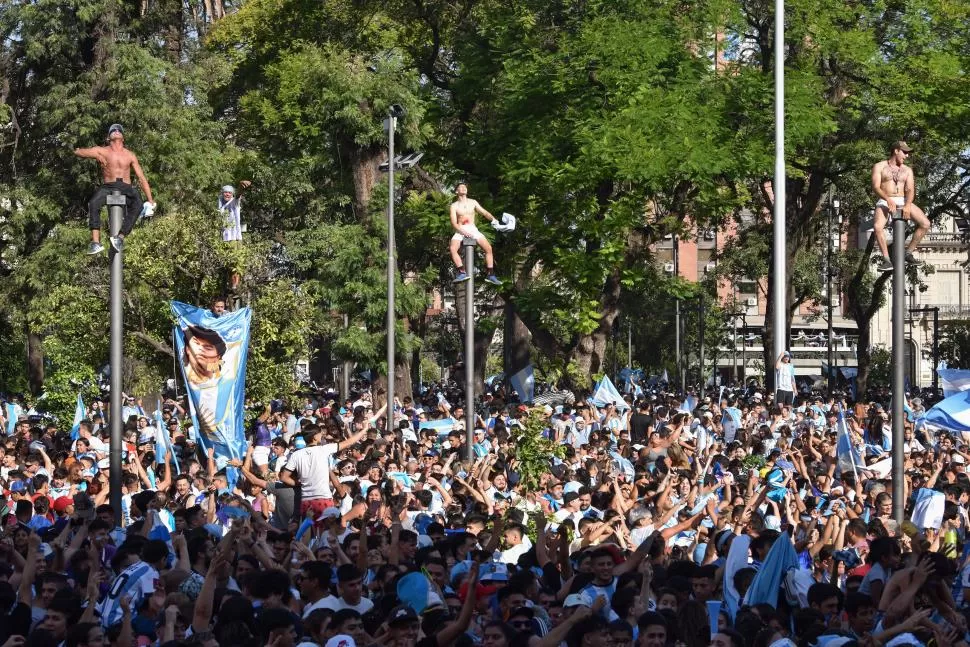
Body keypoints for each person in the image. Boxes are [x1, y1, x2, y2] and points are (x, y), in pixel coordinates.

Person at [74, 123, 155, 255]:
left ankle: (120, 237)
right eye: (113, 130)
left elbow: (141, 178)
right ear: (108, 137)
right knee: (93, 203)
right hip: (108, 186)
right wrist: (96, 156)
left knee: (139, 204)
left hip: (126, 187)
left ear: (123, 137)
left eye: (119, 131)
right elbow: (78, 151)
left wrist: (150, 200)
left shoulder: (130, 155)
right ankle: (95, 243)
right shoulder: (102, 150)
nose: (116, 131)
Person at [870, 140, 930, 272]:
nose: (907, 155)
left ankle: (908, 253)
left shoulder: (907, 170)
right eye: (905, 152)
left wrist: (908, 205)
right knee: (877, 227)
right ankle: (886, 260)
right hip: (885, 199)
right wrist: (887, 199)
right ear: (896, 151)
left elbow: (910, 189)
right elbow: (875, 187)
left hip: (903, 200)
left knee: (925, 223)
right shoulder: (879, 166)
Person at [449, 182, 501, 285]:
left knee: (488, 248)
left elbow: (484, 212)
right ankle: (462, 272)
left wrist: (494, 220)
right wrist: (462, 231)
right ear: (457, 191)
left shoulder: (473, 202)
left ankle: (490, 274)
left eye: (465, 187)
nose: (464, 188)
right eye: (461, 187)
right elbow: (454, 223)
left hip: (472, 228)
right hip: (461, 228)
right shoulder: (454, 206)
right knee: (452, 248)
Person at [218, 181, 251, 292]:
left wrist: (241, 187)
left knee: (235, 265)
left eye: (229, 193)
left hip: (234, 238)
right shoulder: (221, 207)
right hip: (224, 239)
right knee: (227, 266)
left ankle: (235, 286)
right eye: (225, 193)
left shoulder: (234, 202)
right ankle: (230, 286)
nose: (227, 194)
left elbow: (238, 195)